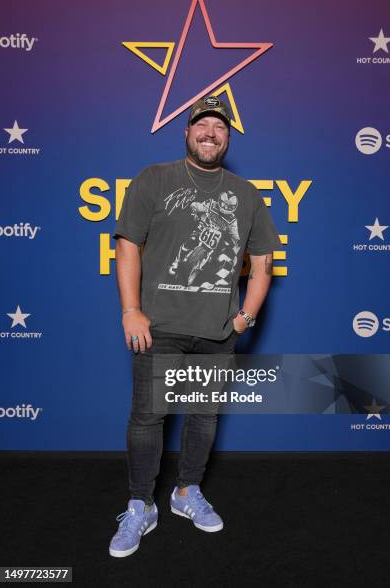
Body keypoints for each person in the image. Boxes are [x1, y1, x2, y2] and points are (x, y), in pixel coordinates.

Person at [109, 96, 281, 557]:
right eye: (201, 124)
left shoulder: (245, 194)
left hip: (216, 332)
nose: (210, 132)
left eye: (219, 127)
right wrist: (131, 310)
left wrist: (245, 316)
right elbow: (127, 247)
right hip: (158, 326)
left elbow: (263, 262)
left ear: (228, 136)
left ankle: (187, 493)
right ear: (186, 133)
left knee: (203, 417)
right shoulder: (155, 178)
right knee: (148, 418)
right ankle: (140, 504)